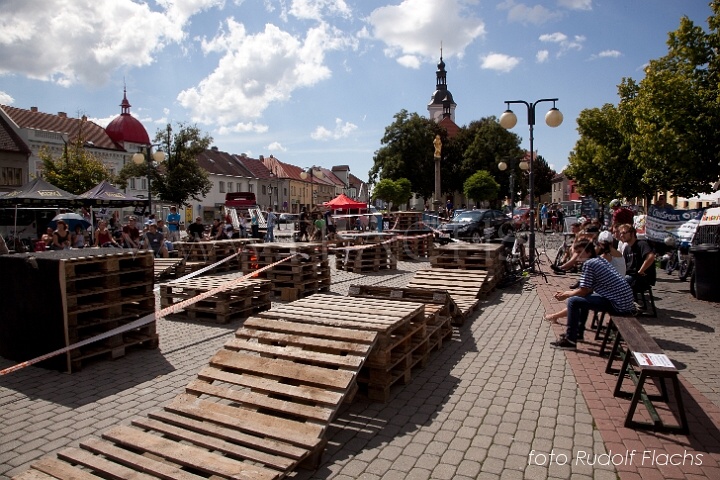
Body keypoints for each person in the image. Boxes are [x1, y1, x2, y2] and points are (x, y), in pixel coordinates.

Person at [548, 238, 636, 349]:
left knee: (573, 301)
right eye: (576, 252)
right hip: (624, 301)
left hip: (618, 304)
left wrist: (566, 294)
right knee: (581, 299)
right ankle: (577, 333)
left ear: (589, 252)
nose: (577, 255)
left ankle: (570, 340)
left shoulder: (589, 264)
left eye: (580, 252)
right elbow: (587, 290)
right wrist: (568, 292)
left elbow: (584, 290)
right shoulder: (598, 259)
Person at [619, 224, 656, 293]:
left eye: (624, 233)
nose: (621, 235)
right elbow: (623, 264)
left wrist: (641, 271)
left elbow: (651, 257)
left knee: (619, 284)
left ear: (632, 233)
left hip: (640, 278)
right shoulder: (627, 248)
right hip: (630, 276)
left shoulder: (641, 244)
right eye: (620, 233)